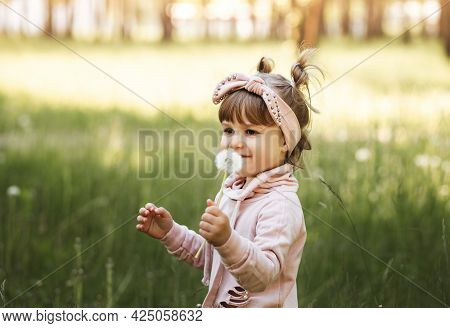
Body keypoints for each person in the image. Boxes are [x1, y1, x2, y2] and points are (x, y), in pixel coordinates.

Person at [136, 49, 323, 307]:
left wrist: (226, 238)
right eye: (228, 130)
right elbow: (212, 256)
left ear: (284, 142)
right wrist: (171, 232)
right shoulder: (234, 190)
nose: (235, 142)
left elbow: (262, 276)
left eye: (250, 131)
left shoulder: (279, 204)